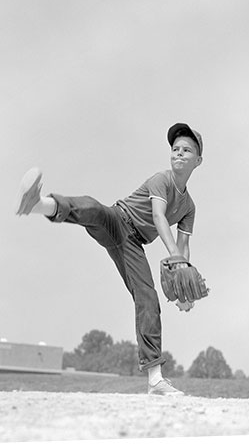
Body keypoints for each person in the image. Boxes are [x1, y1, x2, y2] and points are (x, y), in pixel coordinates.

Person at [15, 122, 203, 395]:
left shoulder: (189, 207)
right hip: (117, 219)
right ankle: (39, 204)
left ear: (198, 161)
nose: (178, 153)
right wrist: (175, 256)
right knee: (92, 207)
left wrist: (185, 291)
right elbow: (159, 217)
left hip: (132, 244)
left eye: (186, 150)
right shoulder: (161, 180)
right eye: (175, 148)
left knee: (147, 297)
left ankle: (155, 380)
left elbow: (183, 247)